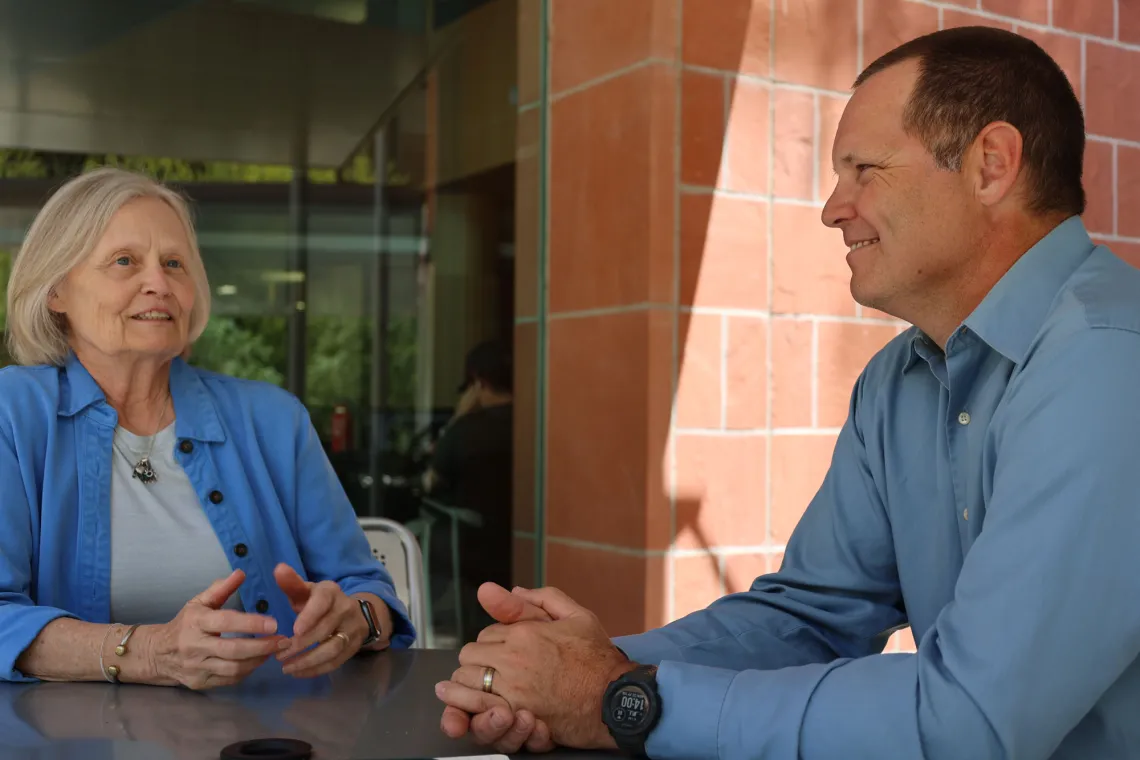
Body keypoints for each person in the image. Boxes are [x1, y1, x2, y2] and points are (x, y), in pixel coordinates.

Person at [433, 26, 1140, 759]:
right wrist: (569, 669)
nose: (834, 207)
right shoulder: (899, 379)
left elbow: (969, 720)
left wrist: (620, 699)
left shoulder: (1109, 365)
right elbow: (809, 616)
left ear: (990, 165)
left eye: (865, 168)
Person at [0, 167, 414, 689]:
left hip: (271, 733)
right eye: (125, 261)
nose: (159, 283)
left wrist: (355, 619)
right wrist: (148, 653)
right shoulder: (12, 413)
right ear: (57, 289)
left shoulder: (273, 419)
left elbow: (365, 589)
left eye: (175, 263)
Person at [422, 339, 514, 640]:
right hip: (515, 545)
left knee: (420, 537)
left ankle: (422, 623)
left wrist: (460, 416)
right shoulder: (529, 422)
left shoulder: (467, 429)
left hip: (471, 544)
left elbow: (431, 481)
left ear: (478, 382)